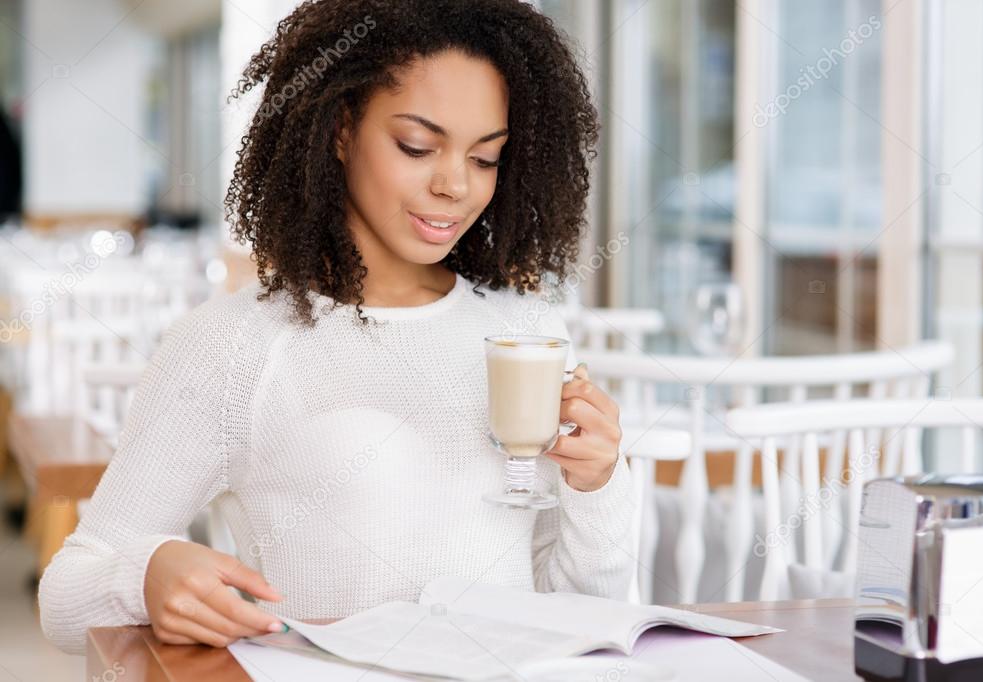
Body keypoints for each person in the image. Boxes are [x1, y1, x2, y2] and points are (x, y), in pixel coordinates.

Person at [39, 0, 635, 654]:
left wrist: (597, 485)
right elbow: (67, 597)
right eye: (417, 146)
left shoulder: (525, 332)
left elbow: (580, 615)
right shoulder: (234, 344)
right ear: (341, 129)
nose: (455, 185)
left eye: (486, 158)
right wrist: (147, 574)